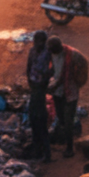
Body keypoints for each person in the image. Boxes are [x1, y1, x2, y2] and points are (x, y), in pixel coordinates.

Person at [47, 35, 85, 158]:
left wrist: (79, 80)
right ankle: (70, 135)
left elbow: (84, 65)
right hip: (58, 92)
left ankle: (70, 147)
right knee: (61, 117)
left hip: (70, 91)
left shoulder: (72, 54)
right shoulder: (51, 54)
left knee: (67, 120)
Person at [26, 30, 54, 162]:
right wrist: (30, 81)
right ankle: (39, 150)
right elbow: (29, 66)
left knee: (40, 122)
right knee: (34, 120)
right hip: (34, 86)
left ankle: (46, 154)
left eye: (39, 41)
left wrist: (45, 81)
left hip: (40, 87)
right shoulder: (32, 51)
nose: (36, 43)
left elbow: (52, 69)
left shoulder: (48, 53)